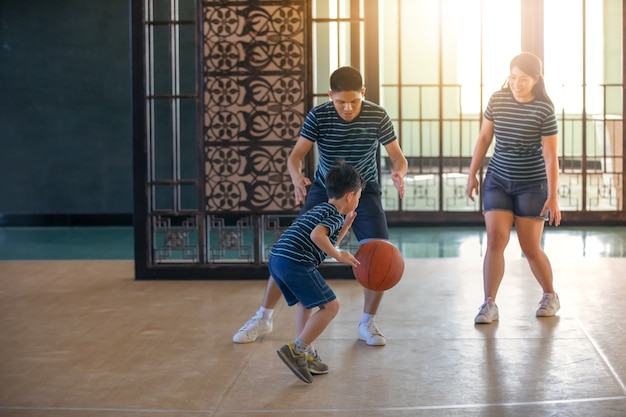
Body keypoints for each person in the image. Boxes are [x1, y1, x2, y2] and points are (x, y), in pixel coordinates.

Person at [233, 66, 408, 346]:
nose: (348, 108)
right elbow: (295, 157)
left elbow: (398, 157)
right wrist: (295, 178)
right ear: (330, 96)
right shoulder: (320, 115)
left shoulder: (378, 115)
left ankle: (368, 323)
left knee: (377, 252)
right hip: (325, 189)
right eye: (341, 102)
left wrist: (399, 172)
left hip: (365, 189)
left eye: (354, 100)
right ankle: (263, 317)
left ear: (363, 93)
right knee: (293, 250)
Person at [466, 52, 562, 325]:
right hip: (498, 179)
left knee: (529, 247)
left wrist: (553, 196)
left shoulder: (544, 109)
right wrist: (472, 173)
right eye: (512, 77)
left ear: (536, 79)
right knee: (495, 240)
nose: (516, 84)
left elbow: (550, 155)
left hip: (532, 184)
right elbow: (485, 137)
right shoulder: (497, 100)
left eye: (523, 79)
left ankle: (549, 295)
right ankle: (489, 303)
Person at [273, 160, 363, 383]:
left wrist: (345, 226)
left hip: (278, 259)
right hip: (296, 261)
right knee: (331, 306)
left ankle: (306, 353)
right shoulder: (332, 215)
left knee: (306, 305)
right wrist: (339, 255)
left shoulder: (324, 210)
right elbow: (317, 237)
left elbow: (325, 237)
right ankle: (297, 349)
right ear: (350, 196)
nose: (359, 199)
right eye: (359, 195)